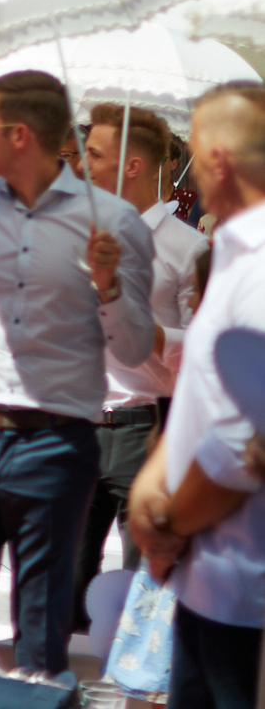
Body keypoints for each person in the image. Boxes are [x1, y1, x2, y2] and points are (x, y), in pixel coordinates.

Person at [0, 71, 155, 694]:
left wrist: (109, 288)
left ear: (19, 135)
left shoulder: (115, 223)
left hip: (55, 442)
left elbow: (134, 349)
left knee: (43, 635)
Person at [129, 85, 265, 709]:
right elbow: (202, 394)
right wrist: (152, 485)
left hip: (243, 582)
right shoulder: (233, 254)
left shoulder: (257, 267)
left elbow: (243, 443)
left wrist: (166, 523)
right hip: (209, 577)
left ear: (217, 158)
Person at [72, 104, 207, 625]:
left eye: (94, 153)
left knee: (145, 598)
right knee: (64, 592)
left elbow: (205, 348)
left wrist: (149, 334)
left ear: (131, 165)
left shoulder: (188, 248)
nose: (81, 164)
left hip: (148, 430)